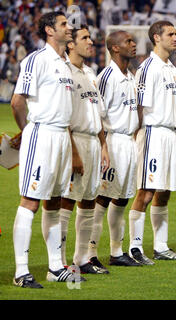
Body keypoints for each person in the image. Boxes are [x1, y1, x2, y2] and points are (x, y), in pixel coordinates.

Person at [11, 11, 84, 288]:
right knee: (30, 201)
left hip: (62, 137)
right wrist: (25, 130)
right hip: (41, 134)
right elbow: (18, 102)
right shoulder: (36, 59)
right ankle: (21, 271)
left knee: (53, 201)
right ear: (49, 30)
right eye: (64, 24)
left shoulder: (65, 63)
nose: (69, 27)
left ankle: (55, 267)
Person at [129, 20, 176, 261]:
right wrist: (137, 134)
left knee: (164, 191)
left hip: (170, 135)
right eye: (170, 34)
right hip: (152, 133)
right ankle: (135, 247)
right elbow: (139, 106)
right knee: (145, 191)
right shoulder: (147, 68)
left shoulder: (172, 69)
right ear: (156, 37)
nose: (175, 38)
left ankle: (161, 246)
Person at [87, 30, 143, 269]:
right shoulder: (107, 77)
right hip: (112, 141)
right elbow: (98, 115)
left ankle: (117, 252)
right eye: (128, 41)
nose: (134, 44)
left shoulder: (129, 75)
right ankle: (89, 253)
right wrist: (103, 147)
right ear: (115, 48)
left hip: (128, 142)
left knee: (121, 198)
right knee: (102, 198)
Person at [58, 25, 110, 274]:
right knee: (67, 200)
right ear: (70, 44)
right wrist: (74, 153)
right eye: (85, 38)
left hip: (93, 142)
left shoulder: (90, 73)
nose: (91, 42)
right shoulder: (65, 72)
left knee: (89, 200)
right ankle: (59, 261)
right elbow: (64, 116)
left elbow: (98, 115)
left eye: (91, 37)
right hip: (75, 140)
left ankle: (82, 259)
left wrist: (104, 147)